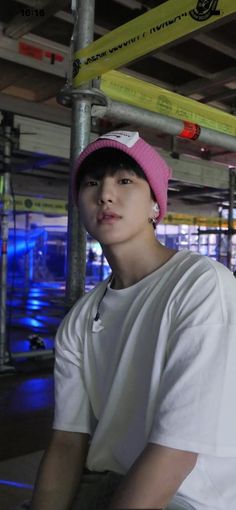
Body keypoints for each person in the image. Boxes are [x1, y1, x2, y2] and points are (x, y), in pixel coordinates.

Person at [31, 130, 236, 510]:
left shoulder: (202, 286)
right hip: (111, 480)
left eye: (125, 180)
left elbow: (175, 452)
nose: (105, 194)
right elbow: (67, 443)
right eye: (92, 183)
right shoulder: (80, 319)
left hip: (188, 497)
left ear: (156, 205)